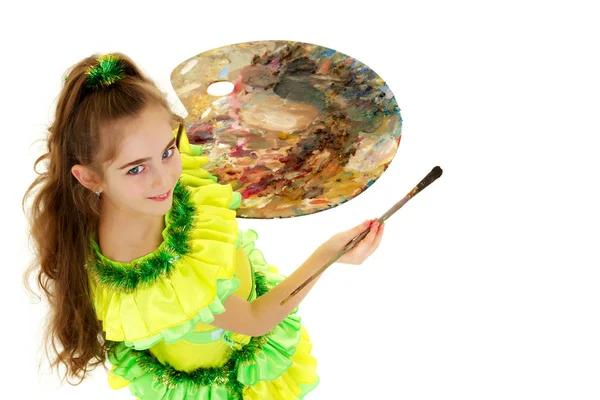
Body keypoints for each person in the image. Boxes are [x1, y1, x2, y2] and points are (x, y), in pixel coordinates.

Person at [23, 52, 385, 399]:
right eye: (136, 168)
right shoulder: (150, 269)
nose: (164, 179)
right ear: (89, 178)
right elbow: (256, 321)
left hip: (227, 288)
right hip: (224, 364)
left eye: (167, 151)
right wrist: (327, 255)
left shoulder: (140, 180)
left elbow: (182, 136)